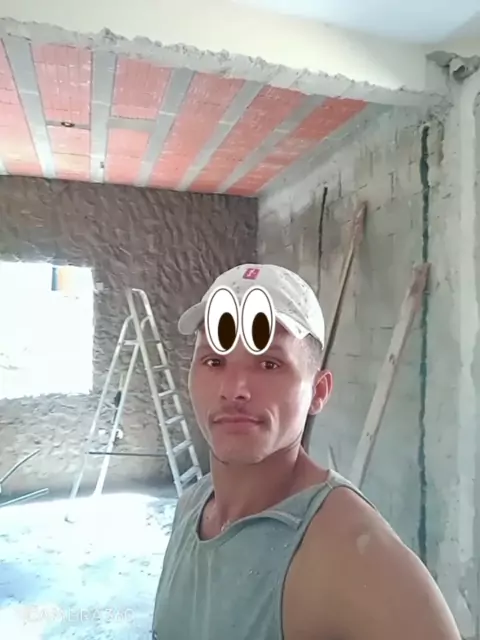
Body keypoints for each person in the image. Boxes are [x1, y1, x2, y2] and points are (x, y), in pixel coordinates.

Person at [151, 263, 460, 640]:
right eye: (214, 361)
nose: (233, 390)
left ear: (318, 391)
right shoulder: (190, 508)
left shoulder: (354, 557)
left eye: (269, 363)